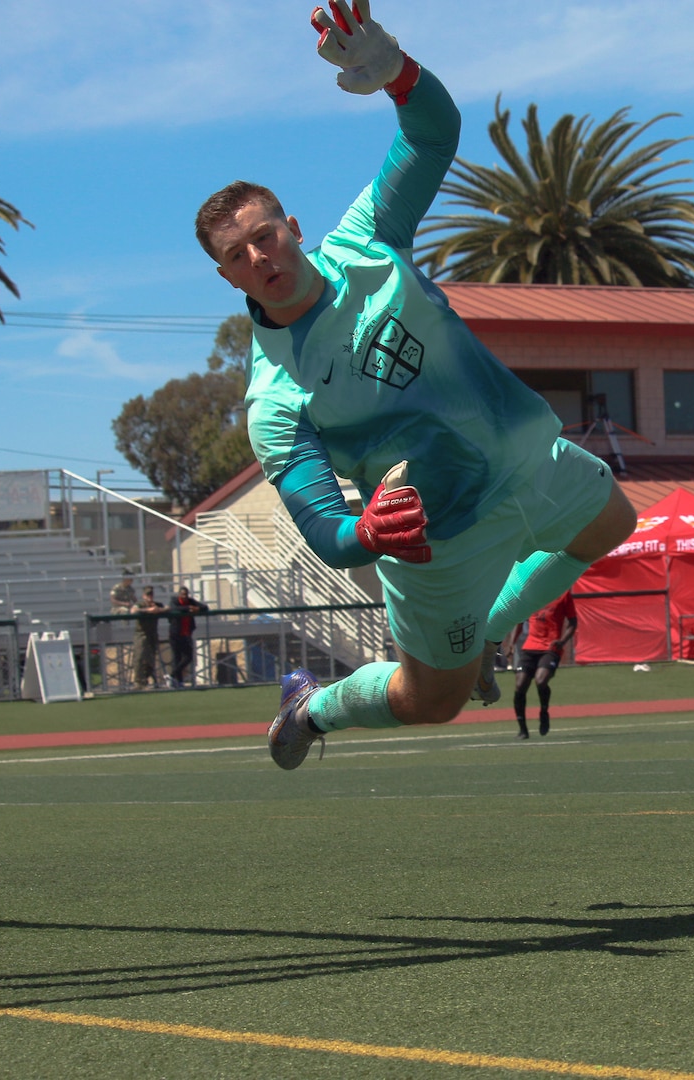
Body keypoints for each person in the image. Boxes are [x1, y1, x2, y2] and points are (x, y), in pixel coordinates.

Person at [214, 5, 635, 769]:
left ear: (292, 227)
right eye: (239, 255)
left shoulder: (368, 240)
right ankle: (316, 708)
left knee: (612, 523)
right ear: (227, 275)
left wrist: (396, 72)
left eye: (264, 234)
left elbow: (432, 133)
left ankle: (489, 624)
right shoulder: (275, 398)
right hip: (435, 539)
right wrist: (368, 536)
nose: (259, 257)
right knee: (431, 702)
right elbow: (321, 527)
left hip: (526, 461)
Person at [512, 592, 576, 739]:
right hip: (529, 648)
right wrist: (511, 644)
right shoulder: (532, 592)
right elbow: (520, 621)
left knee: (541, 681)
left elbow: (573, 622)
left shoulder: (563, 594)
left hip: (550, 648)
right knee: (520, 685)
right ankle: (523, 729)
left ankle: (544, 711)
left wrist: (562, 641)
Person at [168, 585, 209, 688]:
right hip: (175, 634)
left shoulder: (191, 601)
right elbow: (174, 608)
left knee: (188, 657)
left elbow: (205, 607)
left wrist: (197, 608)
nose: (185, 596)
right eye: (182, 594)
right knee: (176, 657)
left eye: (186, 594)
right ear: (179, 595)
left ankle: (172, 675)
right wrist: (188, 608)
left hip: (186, 634)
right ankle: (178, 682)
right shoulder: (174, 601)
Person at [134, 585, 165, 689]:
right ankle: (138, 682)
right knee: (140, 657)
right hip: (141, 634)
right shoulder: (140, 604)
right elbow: (133, 610)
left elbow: (167, 608)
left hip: (152, 633)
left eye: (151, 594)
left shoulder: (156, 604)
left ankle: (146, 680)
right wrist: (148, 610)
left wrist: (158, 610)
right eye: (147, 594)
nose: (150, 596)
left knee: (151, 658)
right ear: (143, 596)